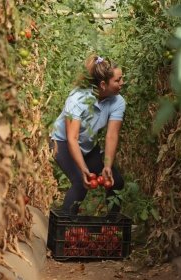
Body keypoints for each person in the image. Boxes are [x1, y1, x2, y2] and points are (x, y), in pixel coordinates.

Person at [50, 54, 125, 215]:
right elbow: (72, 138)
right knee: (79, 183)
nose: (122, 83)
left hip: (87, 145)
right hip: (62, 142)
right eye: (118, 80)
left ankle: (111, 229)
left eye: (122, 78)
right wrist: (84, 169)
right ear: (103, 84)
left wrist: (107, 166)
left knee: (116, 181)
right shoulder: (78, 98)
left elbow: (111, 136)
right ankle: (64, 231)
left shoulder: (118, 102)